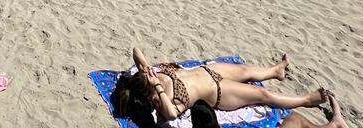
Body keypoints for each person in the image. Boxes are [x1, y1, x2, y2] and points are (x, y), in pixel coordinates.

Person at [114, 48, 328, 127]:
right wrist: (158, 87)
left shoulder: (152, 74)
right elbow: (170, 116)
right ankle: (306, 100)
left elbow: (136, 50)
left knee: (244, 70)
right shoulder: (160, 100)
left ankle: (275, 71)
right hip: (218, 92)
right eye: (148, 76)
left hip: (207, 71)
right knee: (262, 95)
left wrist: (148, 70)